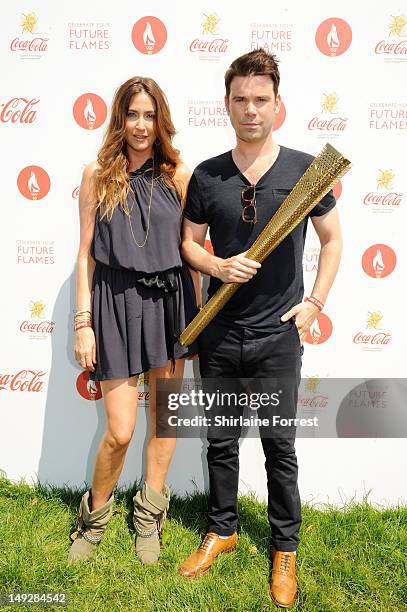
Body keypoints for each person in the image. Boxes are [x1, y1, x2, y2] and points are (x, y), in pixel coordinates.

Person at [178, 48, 342, 608]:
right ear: (227, 104)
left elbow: (333, 240)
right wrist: (218, 266)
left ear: (279, 105)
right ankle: (221, 529)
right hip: (219, 334)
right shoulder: (207, 175)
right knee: (220, 442)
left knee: (280, 447)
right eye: (241, 100)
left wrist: (315, 303)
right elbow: (187, 245)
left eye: (261, 100)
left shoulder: (305, 169)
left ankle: (284, 548)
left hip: (278, 337)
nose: (251, 110)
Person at [69, 76, 199, 565]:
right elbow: (84, 255)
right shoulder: (96, 174)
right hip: (115, 302)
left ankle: (149, 515)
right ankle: (93, 518)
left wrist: (197, 318)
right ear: (119, 119)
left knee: (164, 419)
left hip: (170, 302)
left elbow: (191, 254)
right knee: (120, 430)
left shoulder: (179, 175)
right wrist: (84, 322)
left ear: (159, 119)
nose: (141, 125)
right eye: (132, 114)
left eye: (149, 115)